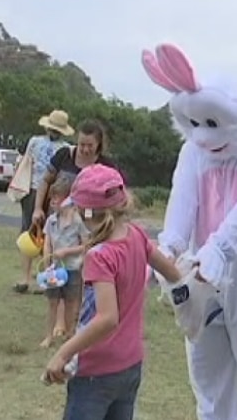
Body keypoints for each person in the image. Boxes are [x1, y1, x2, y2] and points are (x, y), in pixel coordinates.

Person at [141, 43, 237, 420]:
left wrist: (218, 250)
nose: (202, 137)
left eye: (210, 125)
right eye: (193, 126)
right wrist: (164, 255)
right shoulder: (193, 152)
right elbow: (181, 210)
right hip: (198, 278)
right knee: (209, 387)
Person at [42, 164, 182, 420]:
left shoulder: (100, 256)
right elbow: (173, 273)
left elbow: (107, 319)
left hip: (97, 370)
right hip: (130, 365)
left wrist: (64, 352)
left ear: (87, 213)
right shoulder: (138, 235)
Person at [32, 118, 121, 335]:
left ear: (99, 145)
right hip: (60, 220)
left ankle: (79, 317)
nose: (84, 149)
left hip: (88, 217)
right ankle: (60, 322)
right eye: (81, 144)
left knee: (81, 272)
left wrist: (89, 217)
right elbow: (45, 182)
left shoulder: (106, 165)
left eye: (90, 145)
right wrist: (38, 208)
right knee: (59, 269)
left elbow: (114, 197)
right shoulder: (64, 155)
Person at [13, 110, 72, 294]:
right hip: (42, 192)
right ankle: (34, 277)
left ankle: (35, 277)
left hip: (43, 192)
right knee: (39, 234)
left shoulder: (57, 146)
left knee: (40, 234)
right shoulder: (49, 144)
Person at [40, 177, 90, 348]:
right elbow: (47, 243)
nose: (53, 201)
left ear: (68, 200)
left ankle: (70, 335)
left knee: (71, 303)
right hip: (54, 269)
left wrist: (67, 252)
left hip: (73, 269)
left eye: (56, 198)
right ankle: (49, 336)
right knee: (52, 302)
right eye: (52, 197)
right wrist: (47, 263)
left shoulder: (78, 222)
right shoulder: (51, 221)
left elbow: (86, 245)